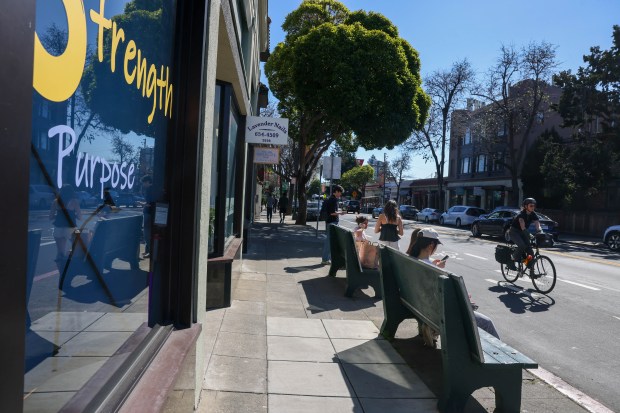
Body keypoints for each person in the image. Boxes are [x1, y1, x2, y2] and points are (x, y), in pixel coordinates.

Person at [406, 228, 500, 346]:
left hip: (422, 308)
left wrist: (435, 266)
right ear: (431, 245)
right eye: (436, 245)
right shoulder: (431, 269)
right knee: (487, 323)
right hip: (440, 315)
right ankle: (506, 360)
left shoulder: (411, 261)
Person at [49, 184, 82, 267]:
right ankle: (69, 262)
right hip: (70, 228)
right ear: (72, 192)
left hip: (58, 228)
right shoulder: (74, 202)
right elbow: (80, 217)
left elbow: (50, 217)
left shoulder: (55, 201)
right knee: (77, 247)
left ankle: (61, 273)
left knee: (60, 252)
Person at [509, 197, 542, 267]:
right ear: (526, 206)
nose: (533, 207)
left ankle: (528, 266)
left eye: (534, 205)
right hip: (514, 232)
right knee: (522, 245)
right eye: (531, 206)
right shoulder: (521, 215)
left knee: (530, 251)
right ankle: (512, 259)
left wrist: (540, 231)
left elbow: (537, 223)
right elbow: (523, 227)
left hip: (523, 232)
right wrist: (529, 235)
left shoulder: (533, 214)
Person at [321, 185, 346, 265]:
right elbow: (332, 213)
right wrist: (341, 212)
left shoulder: (330, 199)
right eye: (340, 193)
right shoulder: (333, 200)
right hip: (332, 222)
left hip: (329, 222)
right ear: (336, 191)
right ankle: (325, 259)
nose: (340, 195)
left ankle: (328, 258)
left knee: (330, 241)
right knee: (329, 241)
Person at [141, 175, 154, 258]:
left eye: (144, 183)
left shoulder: (149, 190)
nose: (143, 185)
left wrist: (142, 204)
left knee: (146, 233)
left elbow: (149, 204)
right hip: (149, 213)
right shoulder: (153, 189)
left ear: (148, 182)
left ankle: (150, 251)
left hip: (148, 214)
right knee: (148, 232)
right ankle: (147, 251)